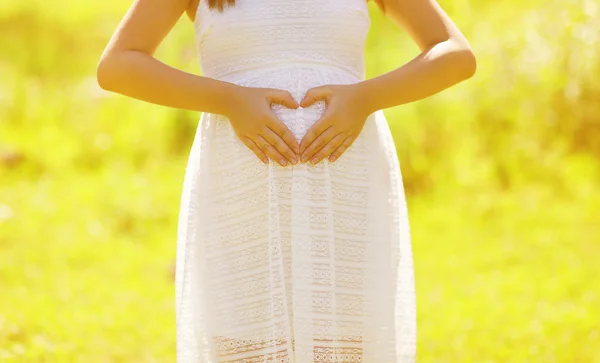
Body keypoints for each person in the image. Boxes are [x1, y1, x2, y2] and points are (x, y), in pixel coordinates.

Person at [97, 0, 476, 361]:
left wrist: (365, 97)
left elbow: (455, 53)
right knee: (245, 338)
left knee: (344, 340)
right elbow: (118, 64)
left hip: (343, 182)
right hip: (241, 185)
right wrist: (230, 99)